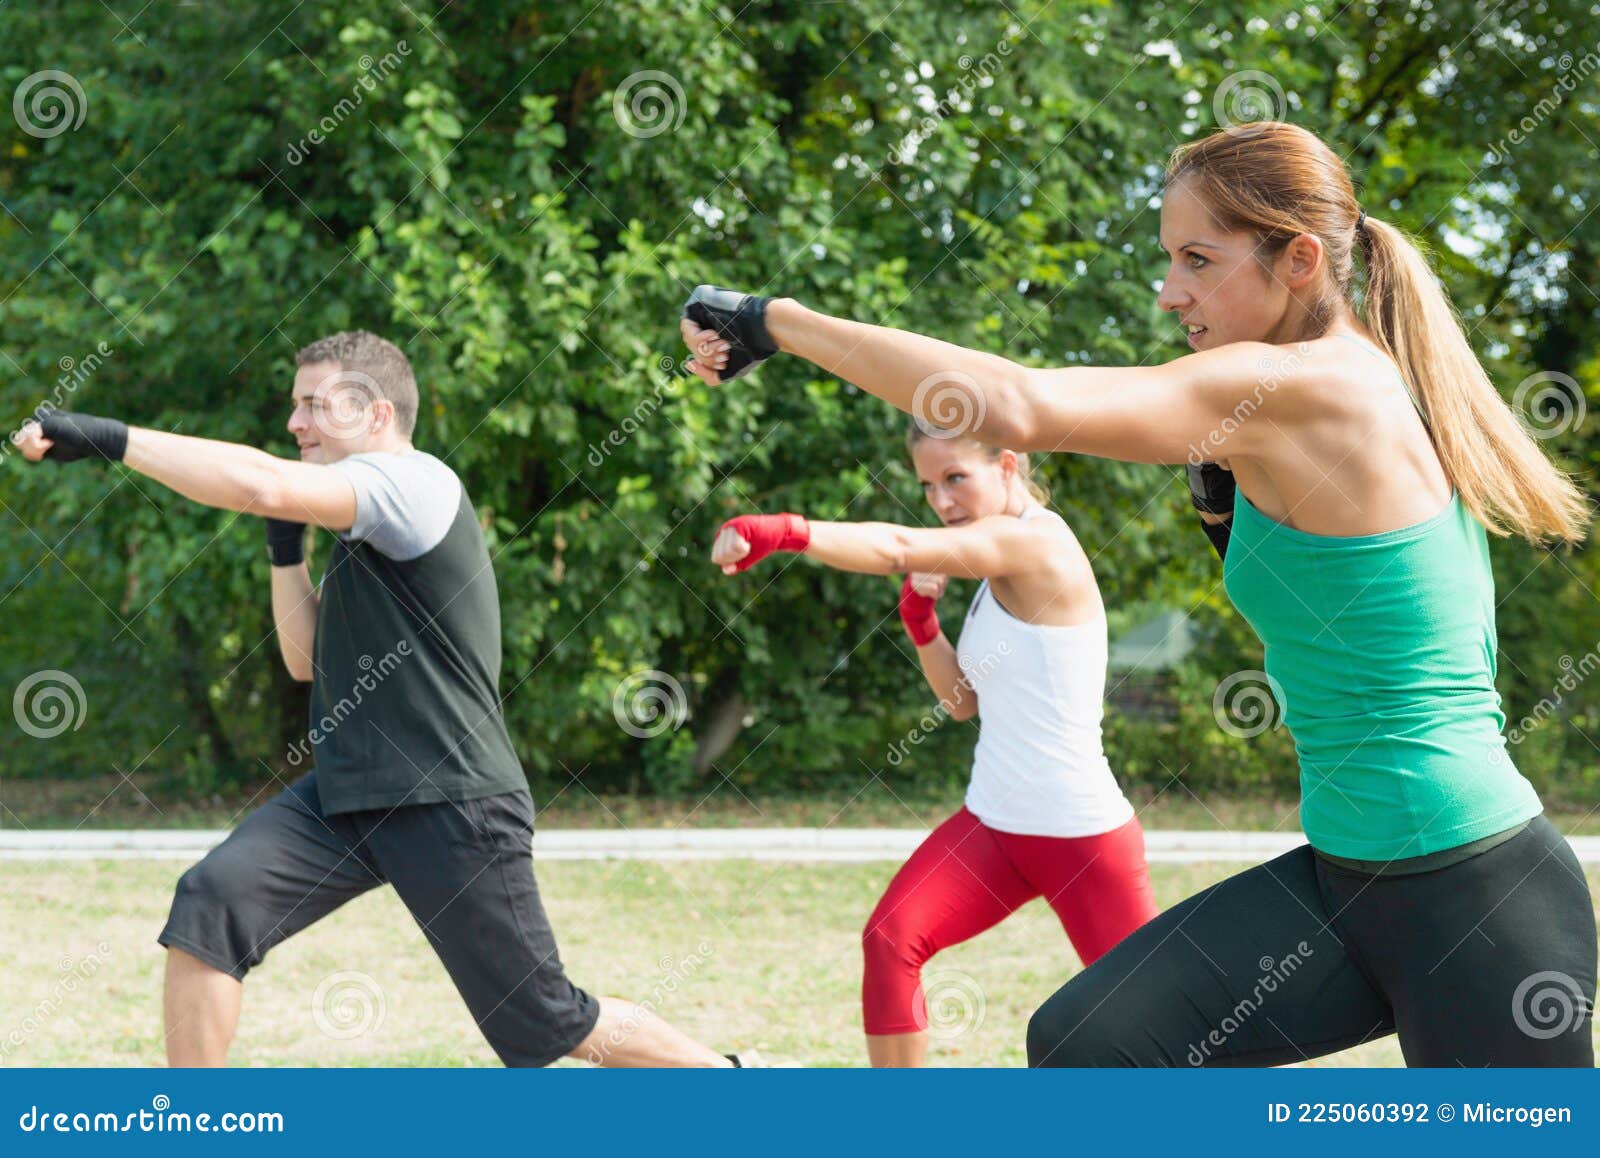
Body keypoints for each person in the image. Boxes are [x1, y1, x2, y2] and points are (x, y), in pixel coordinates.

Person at [678, 120, 1598, 1067]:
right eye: (1169, 259)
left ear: (1298, 261)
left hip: (1474, 897)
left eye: (1198, 260)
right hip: (1348, 883)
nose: (1171, 293)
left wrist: (772, 321)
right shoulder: (1300, 394)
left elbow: (1018, 407)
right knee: (1090, 1042)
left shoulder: (1311, 385)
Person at [16, 331, 738, 1068]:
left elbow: (259, 481)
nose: (295, 423)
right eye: (293, 407)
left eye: (313, 405)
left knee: (544, 1022)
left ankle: (737, 1085)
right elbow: (304, 660)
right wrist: (282, 549)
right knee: (211, 903)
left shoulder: (413, 486)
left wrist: (107, 438)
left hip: (449, 798)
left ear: (377, 415)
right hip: (347, 796)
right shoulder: (365, 524)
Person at [708, 421, 1157, 1066]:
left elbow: (894, 546)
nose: (943, 502)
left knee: (1151, 1016)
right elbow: (963, 703)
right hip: (995, 826)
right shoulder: (988, 559)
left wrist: (785, 532)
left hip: (1081, 836)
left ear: (1007, 466)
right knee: (890, 942)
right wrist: (921, 623)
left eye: (956, 479)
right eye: (928, 485)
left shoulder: (1034, 543)